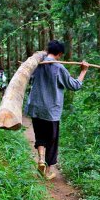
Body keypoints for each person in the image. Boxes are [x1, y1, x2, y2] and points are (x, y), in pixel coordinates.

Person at [25, 40, 89, 180]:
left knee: (40, 136)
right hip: (51, 111)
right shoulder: (59, 68)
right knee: (52, 141)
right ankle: (47, 172)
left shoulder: (36, 65)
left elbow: (29, 79)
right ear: (59, 54)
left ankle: (41, 159)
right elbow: (75, 85)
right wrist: (83, 71)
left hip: (36, 107)